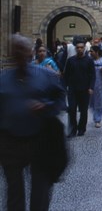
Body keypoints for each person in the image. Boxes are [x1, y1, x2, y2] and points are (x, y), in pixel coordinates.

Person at [0, 35, 67, 211]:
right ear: (12, 53)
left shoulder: (46, 75)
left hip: (40, 140)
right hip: (10, 141)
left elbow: (61, 98)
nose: (20, 54)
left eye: (23, 50)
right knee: (14, 189)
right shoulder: (3, 79)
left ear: (31, 52)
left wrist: (48, 106)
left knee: (41, 189)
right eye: (16, 50)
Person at [63, 40, 95, 137]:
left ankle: (81, 128)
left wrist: (91, 87)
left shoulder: (89, 60)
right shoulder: (71, 60)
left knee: (83, 110)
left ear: (84, 48)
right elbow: (66, 75)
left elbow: (92, 75)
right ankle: (73, 128)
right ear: (75, 49)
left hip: (85, 89)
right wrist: (64, 87)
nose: (79, 49)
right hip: (72, 89)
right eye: (78, 47)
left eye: (81, 47)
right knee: (72, 110)